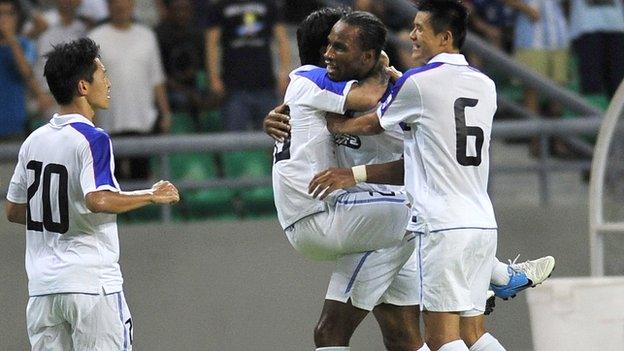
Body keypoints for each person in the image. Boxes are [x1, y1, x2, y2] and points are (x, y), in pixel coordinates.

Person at [304, 1, 550, 350]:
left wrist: (334, 123)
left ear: (446, 36)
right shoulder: (485, 84)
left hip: (442, 226)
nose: (412, 35)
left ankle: (505, 275)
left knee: (440, 339)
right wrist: (394, 81)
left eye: (420, 29)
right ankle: (504, 275)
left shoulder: (418, 82)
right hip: (482, 222)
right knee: (473, 334)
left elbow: (374, 122)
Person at [5, 38, 180, 350]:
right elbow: (97, 200)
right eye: (103, 75)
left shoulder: (34, 141)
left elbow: (15, 210)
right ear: (83, 87)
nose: (109, 83)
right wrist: (150, 195)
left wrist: (63, 212)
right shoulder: (93, 138)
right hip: (90, 285)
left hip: (43, 290)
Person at [272, 9, 428, 351]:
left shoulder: (380, 97)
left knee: (402, 336)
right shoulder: (315, 81)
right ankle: (486, 275)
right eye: (332, 45)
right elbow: (372, 97)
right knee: (425, 207)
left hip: (367, 219)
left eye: (340, 46)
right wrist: (382, 64)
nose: (332, 53)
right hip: (328, 211)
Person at [89, 0, 172, 180]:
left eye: (125, 3)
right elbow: (89, 84)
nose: (121, 7)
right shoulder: (95, 38)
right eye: (116, 4)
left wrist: (165, 112)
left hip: (143, 122)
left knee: (141, 183)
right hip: (109, 122)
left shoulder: (147, 36)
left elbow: (156, 79)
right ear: (109, 6)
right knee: (111, 182)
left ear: (133, 5)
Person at [203, 0, 291, 131]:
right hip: (233, 87)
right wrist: (214, 77)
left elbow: (282, 40)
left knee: (272, 140)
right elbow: (211, 43)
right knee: (234, 142)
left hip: (265, 84)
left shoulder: (269, 5)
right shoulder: (220, 6)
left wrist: (284, 73)